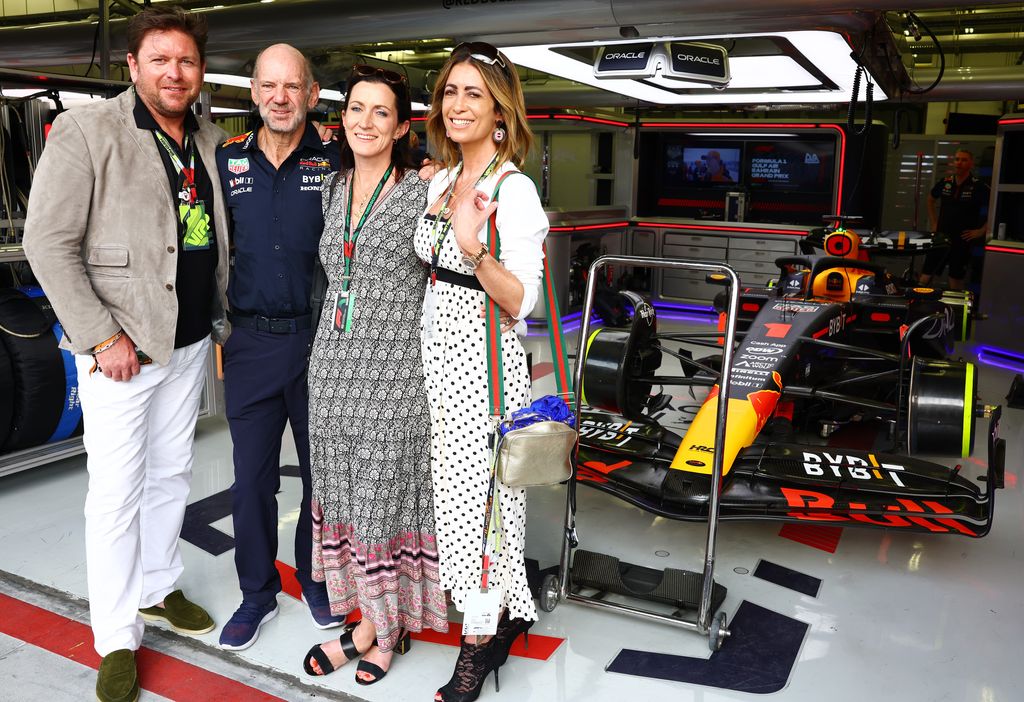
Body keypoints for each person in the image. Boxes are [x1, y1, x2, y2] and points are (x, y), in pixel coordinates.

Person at [22, 7, 226, 701]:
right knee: (115, 493)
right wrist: (101, 337)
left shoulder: (207, 134)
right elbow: (47, 243)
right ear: (133, 67)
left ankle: (157, 588)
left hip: (190, 339)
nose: (176, 73)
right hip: (122, 349)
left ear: (200, 70)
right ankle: (115, 636)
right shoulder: (88, 130)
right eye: (160, 60)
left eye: (187, 61)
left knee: (172, 472)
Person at [301, 62, 448, 686]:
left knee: (382, 505)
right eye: (355, 108)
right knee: (346, 502)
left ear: (401, 126)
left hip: (395, 377)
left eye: (380, 111)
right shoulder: (333, 192)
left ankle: (385, 634)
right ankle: (364, 621)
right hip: (331, 372)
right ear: (342, 119)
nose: (365, 121)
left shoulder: (423, 193)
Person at [415, 42, 548, 702]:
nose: (458, 104)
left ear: (501, 112)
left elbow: (526, 301)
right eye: (450, 92)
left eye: (474, 93)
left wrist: (474, 248)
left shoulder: (512, 190)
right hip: (437, 364)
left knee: (483, 511)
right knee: (456, 503)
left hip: (485, 371)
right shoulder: (440, 180)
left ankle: (478, 646)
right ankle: (507, 607)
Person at [214, 44, 346, 651]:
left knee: (323, 478)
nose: (280, 97)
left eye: (292, 86)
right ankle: (257, 592)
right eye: (269, 86)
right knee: (251, 481)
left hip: (320, 343)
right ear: (253, 93)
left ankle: (316, 581)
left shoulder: (340, 159)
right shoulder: (226, 161)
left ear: (312, 94)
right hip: (250, 344)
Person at [918, 148, 989, 291]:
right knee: (926, 276)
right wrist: (934, 222)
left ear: (971, 164)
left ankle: (955, 311)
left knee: (955, 279)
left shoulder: (978, 186)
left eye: (964, 160)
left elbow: (995, 209)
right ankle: (919, 306)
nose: (959, 163)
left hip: (962, 239)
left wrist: (981, 231)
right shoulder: (945, 182)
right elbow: (930, 200)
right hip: (941, 237)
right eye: (957, 159)